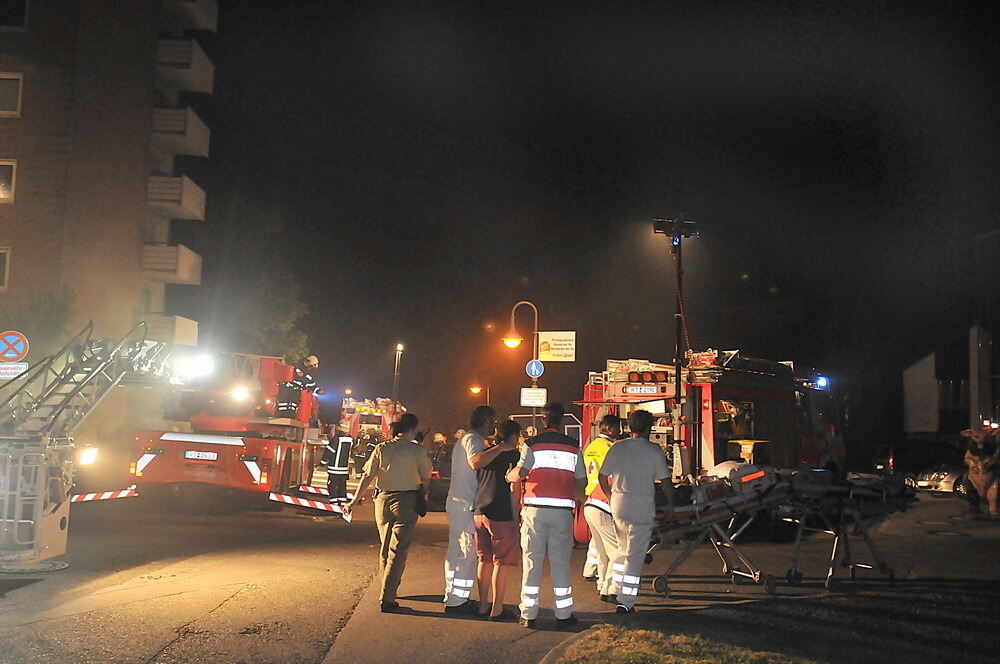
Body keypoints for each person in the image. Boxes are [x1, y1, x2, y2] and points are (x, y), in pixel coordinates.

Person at [506, 402, 586, 629]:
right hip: (562, 513)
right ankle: (564, 615)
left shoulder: (532, 444)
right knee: (561, 563)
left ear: (543, 420)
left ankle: (528, 614)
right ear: (561, 420)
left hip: (534, 512)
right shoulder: (573, 447)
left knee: (532, 562)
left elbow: (520, 474)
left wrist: (508, 476)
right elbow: (581, 482)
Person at [344, 413, 431, 613]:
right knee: (398, 551)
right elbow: (426, 477)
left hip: (381, 501)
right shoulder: (417, 451)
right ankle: (388, 596)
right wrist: (423, 496)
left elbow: (368, 476)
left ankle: (388, 587)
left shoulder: (382, 448)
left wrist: (353, 501)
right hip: (406, 502)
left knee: (385, 547)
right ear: (414, 429)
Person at [598, 409, 675, 613]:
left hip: (618, 504)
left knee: (622, 549)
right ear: (649, 428)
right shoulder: (653, 450)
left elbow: (602, 475)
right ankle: (626, 601)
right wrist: (670, 504)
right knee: (635, 555)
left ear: (629, 427)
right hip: (641, 505)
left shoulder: (617, 447)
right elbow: (665, 482)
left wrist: (609, 495)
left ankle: (612, 588)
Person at [443, 406, 497, 613]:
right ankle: (458, 602)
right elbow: (476, 462)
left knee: (456, 552)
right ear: (486, 421)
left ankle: (452, 595)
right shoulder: (474, 440)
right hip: (466, 505)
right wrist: (500, 449)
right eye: (493, 421)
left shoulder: (465, 439)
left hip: (457, 503)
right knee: (468, 553)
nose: (494, 425)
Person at [471, 419, 522, 620]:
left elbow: (474, 463)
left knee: (484, 560)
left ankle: (483, 605)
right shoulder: (516, 457)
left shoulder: (487, 454)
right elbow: (514, 490)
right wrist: (515, 517)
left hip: (479, 511)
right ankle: (497, 608)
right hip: (501, 514)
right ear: (513, 436)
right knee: (501, 562)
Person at [582, 414, 623, 601]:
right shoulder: (611, 448)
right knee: (616, 551)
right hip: (604, 499)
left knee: (600, 548)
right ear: (609, 429)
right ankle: (612, 589)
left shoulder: (590, 447)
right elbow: (614, 474)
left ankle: (600, 583)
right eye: (617, 428)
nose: (620, 432)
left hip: (590, 497)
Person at [962, 427, 999, 518]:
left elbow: (996, 459)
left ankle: (993, 508)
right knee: (968, 483)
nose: (981, 440)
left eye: (984, 437)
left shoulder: (992, 450)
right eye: (976, 437)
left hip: (989, 476)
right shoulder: (971, 451)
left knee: (993, 492)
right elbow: (967, 459)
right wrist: (971, 463)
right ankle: (974, 507)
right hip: (975, 477)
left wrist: (991, 462)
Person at [322, 428, 353, 504]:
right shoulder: (351, 439)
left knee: (332, 485)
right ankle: (342, 502)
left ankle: (334, 502)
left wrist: (323, 462)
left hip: (334, 468)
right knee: (342, 486)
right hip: (344, 469)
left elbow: (330, 451)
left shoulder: (336, 439)